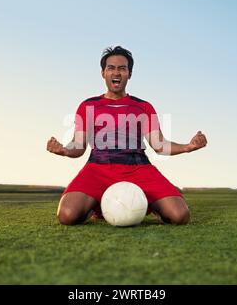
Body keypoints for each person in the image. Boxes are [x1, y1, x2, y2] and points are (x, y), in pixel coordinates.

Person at [47, 46, 207, 225]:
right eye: (111, 68)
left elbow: (159, 145)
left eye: (122, 68)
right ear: (103, 73)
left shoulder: (144, 106)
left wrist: (188, 147)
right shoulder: (88, 105)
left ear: (129, 74)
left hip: (138, 169)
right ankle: (97, 204)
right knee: (67, 215)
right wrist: (64, 150)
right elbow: (78, 145)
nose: (117, 72)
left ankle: (149, 204)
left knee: (180, 216)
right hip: (98, 168)